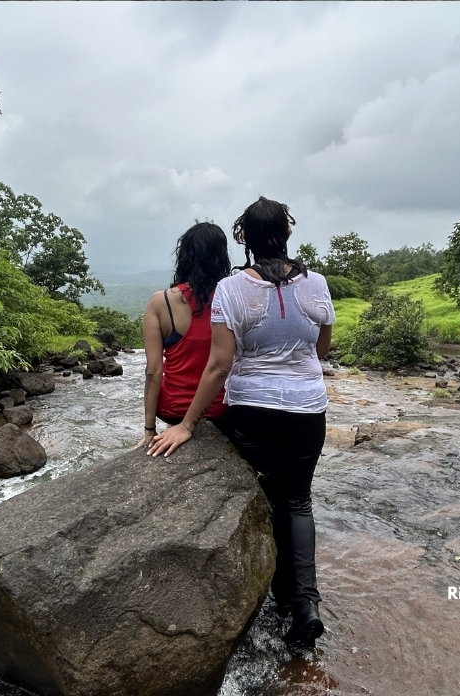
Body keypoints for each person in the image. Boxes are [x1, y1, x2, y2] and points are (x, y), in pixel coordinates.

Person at [148, 196, 335, 648]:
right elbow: (321, 349)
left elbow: (218, 366)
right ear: (287, 233)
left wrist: (186, 424)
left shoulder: (232, 289)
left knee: (271, 500)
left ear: (244, 237)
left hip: (253, 409)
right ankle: (304, 603)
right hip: (308, 409)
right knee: (299, 502)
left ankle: (279, 593)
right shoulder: (317, 283)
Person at [138, 222, 231, 449]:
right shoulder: (232, 298)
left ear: (184, 256)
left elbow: (153, 372)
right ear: (221, 258)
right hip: (221, 408)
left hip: (172, 408)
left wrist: (149, 429)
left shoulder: (160, 302)